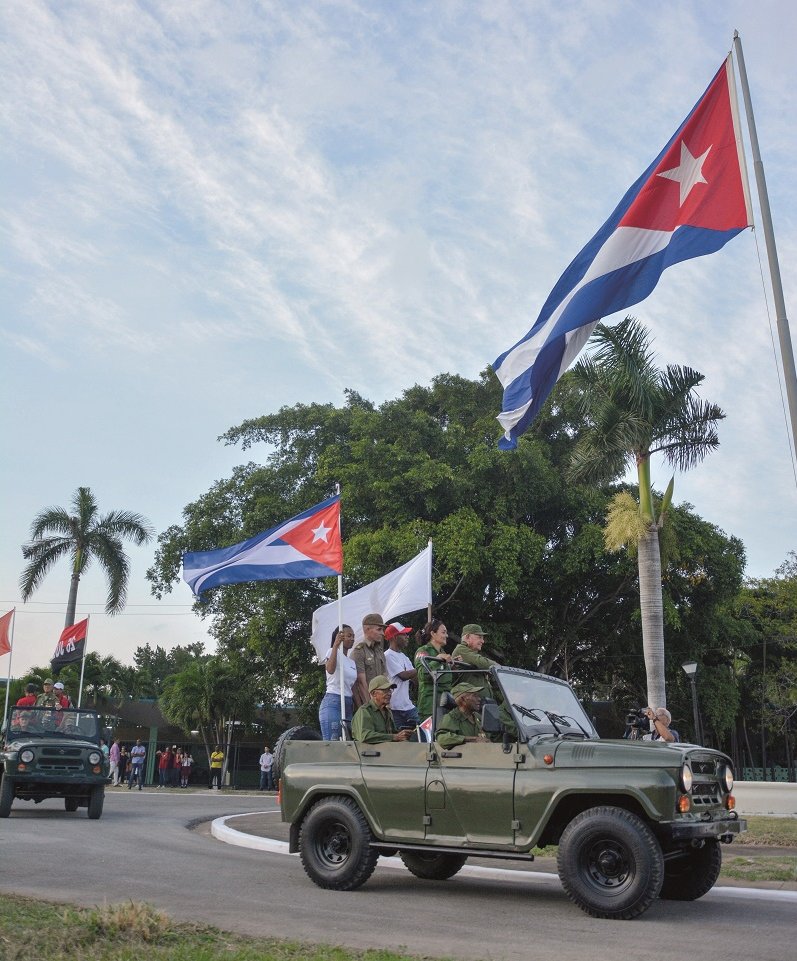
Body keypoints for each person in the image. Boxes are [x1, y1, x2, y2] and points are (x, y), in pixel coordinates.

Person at [318, 624, 357, 740]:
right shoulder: (331, 651)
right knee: (333, 743)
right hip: (334, 701)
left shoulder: (352, 662)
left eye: (353, 636)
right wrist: (335, 645)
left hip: (349, 703)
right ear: (339, 637)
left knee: (348, 744)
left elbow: (353, 687)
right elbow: (330, 669)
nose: (352, 639)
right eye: (349, 636)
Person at [351, 675, 412, 744]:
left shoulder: (387, 711)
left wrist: (402, 735)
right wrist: (394, 737)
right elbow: (365, 736)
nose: (389, 693)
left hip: (386, 750)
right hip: (369, 752)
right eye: (385, 690)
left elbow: (393, 733)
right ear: (374, 693)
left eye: (390, 690)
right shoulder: (364, 711)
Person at [414, 619, 454, 720]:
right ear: (433, 633)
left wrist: (454, 666)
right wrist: (438, 659)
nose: (447, 635)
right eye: (443, 632)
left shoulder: (443, 652)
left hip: (446, 704)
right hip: (430, 707)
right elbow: (422, 674)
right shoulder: (423, 651)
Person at [384, 622, 420, 730]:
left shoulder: (404, 656)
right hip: (394, 708)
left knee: (422, 735)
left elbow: (415, 679)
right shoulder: (388, 655)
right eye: (404, 634)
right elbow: (403, 676)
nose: (407, 637)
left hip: (408, 706)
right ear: (395, 637)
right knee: (400, 741)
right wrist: (422, 666)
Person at [451, 624, 501, 700]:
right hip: (470, 704)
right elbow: (483, 663)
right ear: (467, 637)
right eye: (479, 637)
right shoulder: (461, 649)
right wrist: (499, 667)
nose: (482, 641)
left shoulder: (471, 654)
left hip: (481, 704)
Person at [350, 613, 388, 708]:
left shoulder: (379, 651)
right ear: (367, 629)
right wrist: (370, 707)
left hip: (382, 704)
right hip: (368, 704)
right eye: (379, 629)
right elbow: (361, 684)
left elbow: (384, 679)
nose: (382, 633)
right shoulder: (359, 651)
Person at [435, 682, 490, 748]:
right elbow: (442, 738)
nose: (479, 699)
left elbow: (491, 736)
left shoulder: (478, 717)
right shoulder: (452, 717)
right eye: (474, 696)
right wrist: (473, 739)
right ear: (463, 699)